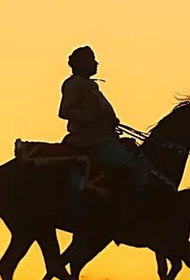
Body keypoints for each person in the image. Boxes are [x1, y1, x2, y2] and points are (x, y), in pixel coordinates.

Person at [58, 45, 149, 207]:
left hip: (103, 137)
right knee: (127, 161)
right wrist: (93, 118)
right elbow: (65, 111)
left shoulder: (90, 86)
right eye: (92, 60)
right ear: (81, 63)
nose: (96, 63)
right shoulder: (74, 84)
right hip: (89, 141)